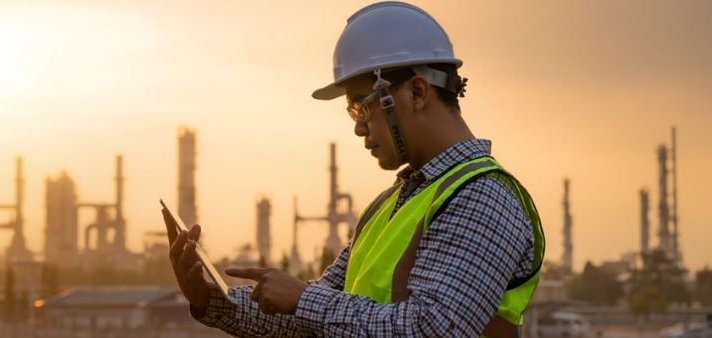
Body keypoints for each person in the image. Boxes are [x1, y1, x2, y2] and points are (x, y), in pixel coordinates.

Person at [168, 2, 545, 337]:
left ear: (416, 92)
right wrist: (207, 295)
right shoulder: (391, 206)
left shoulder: (482, 197)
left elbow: (433, 327)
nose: (358, 126)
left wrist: (303, 299)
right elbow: (311, 318)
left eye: (362, 106)